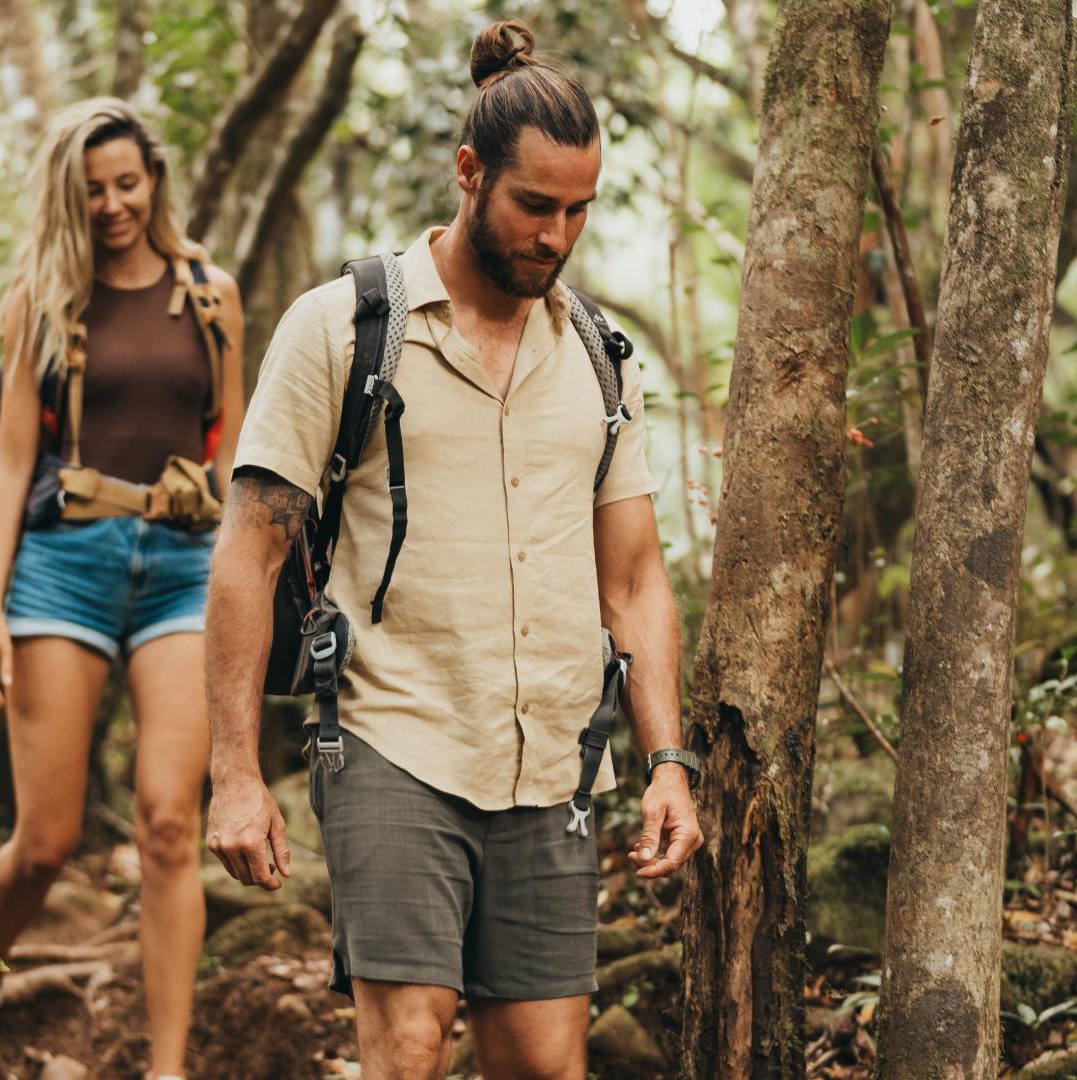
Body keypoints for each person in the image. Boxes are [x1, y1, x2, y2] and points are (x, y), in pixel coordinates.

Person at [202, 20, 703, 1080]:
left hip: (552, 761)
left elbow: (636, 579)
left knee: (543, 1066)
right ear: (469, 173)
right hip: (395, 737)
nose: (557, 236)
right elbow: (247, 554)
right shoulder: (343, 327)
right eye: (535, 206)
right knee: (411, 1041)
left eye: (579, 210)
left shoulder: (602, 360)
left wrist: (667, 762)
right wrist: (235, 775)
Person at [0, 97, 243, 1080]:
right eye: (93, 191)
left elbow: (236, 449)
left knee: (171, 822)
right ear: (67, 198)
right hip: (64, 566)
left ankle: (168, 1070)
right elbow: (7, 467)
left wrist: (244, 580)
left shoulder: (212, 292)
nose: (114, 204)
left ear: (154, 180)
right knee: (46, 842)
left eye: (128, 183)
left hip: (182, 567)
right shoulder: (37, 301)